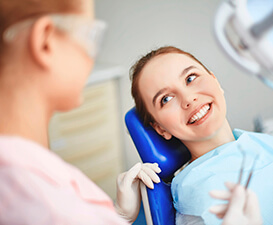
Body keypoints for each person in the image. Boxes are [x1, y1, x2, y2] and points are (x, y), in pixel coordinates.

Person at [0, 0, 160, 224]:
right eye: (90, 36)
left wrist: (119, 217)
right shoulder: (41, 200)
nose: (91, 57)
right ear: (46, 42)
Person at [130, 46, 273, 224]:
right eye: (166, 99)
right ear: (160, 129)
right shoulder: (200, 196)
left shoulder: (269, 144)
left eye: (190, 78)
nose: (188, 99)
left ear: (215, 81)